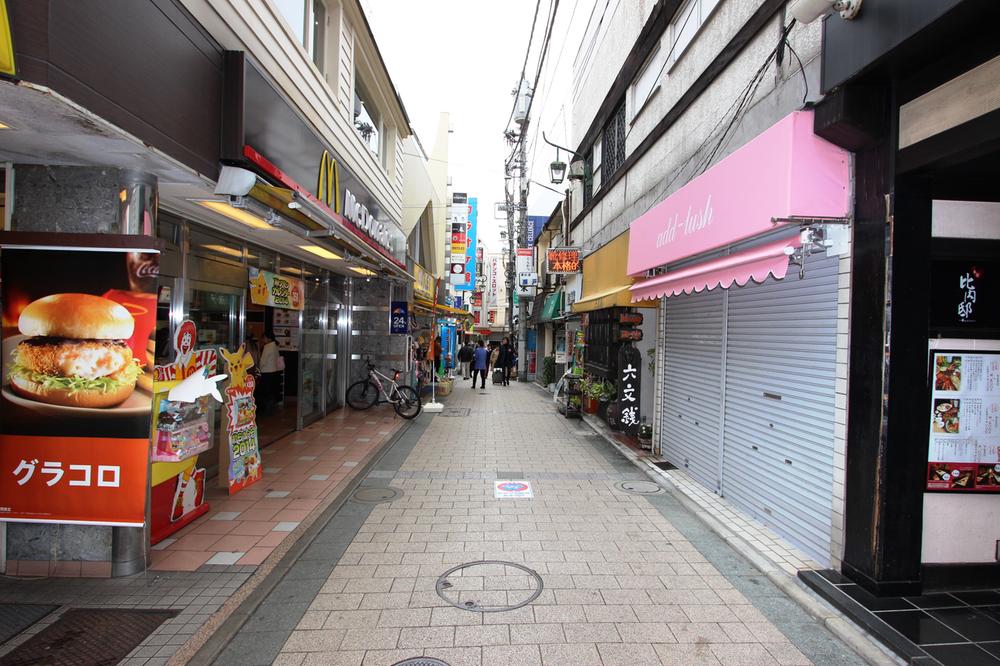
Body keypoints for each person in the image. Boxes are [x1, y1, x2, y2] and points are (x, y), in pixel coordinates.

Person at [258, 332, 281, 412]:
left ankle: (266, 409)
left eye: (264, 338)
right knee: (271, 391)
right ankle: (271, 407)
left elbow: (263, 361)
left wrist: (259, 369)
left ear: (268, 338)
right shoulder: (275, 346)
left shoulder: (267, 347)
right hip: (274, 371)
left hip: (266, 371)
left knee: (265, 391)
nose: (263, 340)